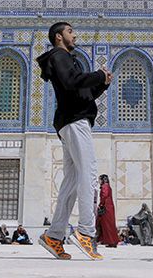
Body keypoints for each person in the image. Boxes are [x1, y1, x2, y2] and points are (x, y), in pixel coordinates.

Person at [36, 22, 112, 261]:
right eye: (70, 31)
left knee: (71, 182)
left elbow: (81, 93)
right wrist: (98, 74)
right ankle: (87, 233)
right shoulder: (60, 56)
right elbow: (72, 82)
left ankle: (54, 235)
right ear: (59, 37)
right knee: (89, 175)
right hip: (75, 123)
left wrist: (101, 84)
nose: (75, 35)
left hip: (72, 120)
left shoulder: (66, 60)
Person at [96, 174, 120, 247]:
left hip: (106, 208)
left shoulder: (105, 186)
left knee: (107, 225)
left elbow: (104, 196)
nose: (99, 181)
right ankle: (110, 241)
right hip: (109, 207)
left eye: (100, 179)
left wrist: (101, 205)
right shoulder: (107, 186)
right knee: (109, 225)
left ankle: (111, 241)